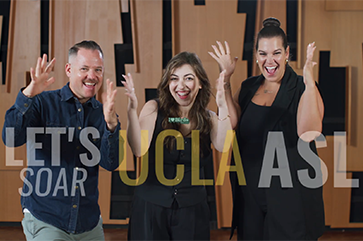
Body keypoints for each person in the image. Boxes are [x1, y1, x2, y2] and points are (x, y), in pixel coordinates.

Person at [209, 18, 325, 241]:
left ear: (287, 53)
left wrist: (310, 81)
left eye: (276, 53)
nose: (269, 60)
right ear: (256, 56)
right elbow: (231, 123)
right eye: (263, 53)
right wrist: (226, 80)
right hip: (251, 193)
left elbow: (308, 132)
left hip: (291, 195)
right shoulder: (249, 86)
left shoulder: (302, 86)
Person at [2, 40, 120, 241]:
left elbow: (110, 164)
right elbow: (11, 138)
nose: (92, 76)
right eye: (84, 68)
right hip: (47, 218)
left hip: (88, 222)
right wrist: (29, 93)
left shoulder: (104, 113)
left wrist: (111, 127)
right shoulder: (41, 102)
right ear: (68, 69)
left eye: (98, 70)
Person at [121, 51, 231, 241]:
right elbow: (138, 149)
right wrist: (131, 110)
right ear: (167, 84)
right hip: (151, 206)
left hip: (192, 210)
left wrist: (222, 106)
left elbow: (223, 145)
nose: (181, 86)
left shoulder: (208, 118)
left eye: (188, 78)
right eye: (174, 79)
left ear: (200, 83)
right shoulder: (153, 109)